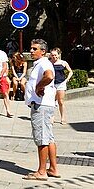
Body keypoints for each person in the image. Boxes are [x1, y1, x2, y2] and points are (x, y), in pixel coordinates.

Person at [23, 39, 59, 181]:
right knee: (49, 137)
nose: (31, 51)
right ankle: (53, 168)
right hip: (45, 104)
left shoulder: (43, 63)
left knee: (42, 138)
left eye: (34, 49)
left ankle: (42, 171)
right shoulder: (42, 63)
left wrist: (39, 87)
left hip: (41, 105)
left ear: (43, 51)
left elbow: (49, 76)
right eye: (31, 48)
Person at [49, 48, 73, 125]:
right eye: (52, 55)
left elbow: (70, 72)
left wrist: (67, 80)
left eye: (55, 55)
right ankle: (51, 117)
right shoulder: (49, 63)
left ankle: (63, 117)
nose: (54, 57)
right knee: (52, 101)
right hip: (52, 83)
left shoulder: (63, 63)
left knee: (60, 101)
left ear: (58, 55)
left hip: (61, 83)